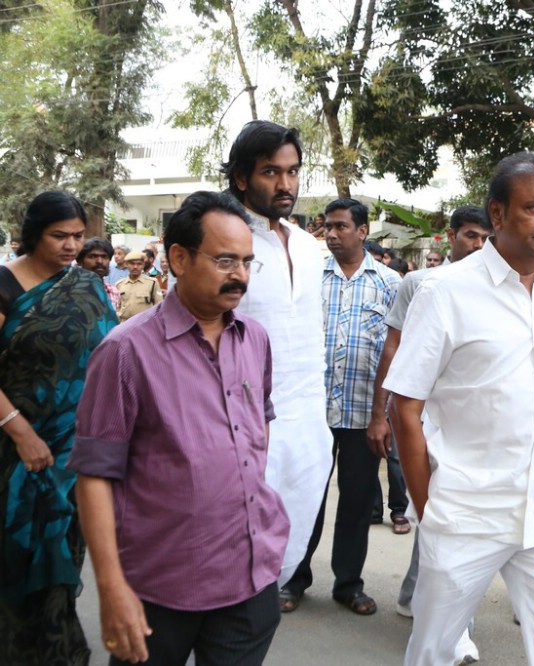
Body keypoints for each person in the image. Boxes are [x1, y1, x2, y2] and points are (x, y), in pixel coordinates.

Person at [385, 152, 534, 666]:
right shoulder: (445, 293)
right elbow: (405, 406)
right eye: (533, 209)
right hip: (467, 510)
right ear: (497, 215)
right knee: (435, 649)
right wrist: (428, 507)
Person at [70, 191, 289, 666]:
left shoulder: (254, 339)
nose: (241, 276)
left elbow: (258, 428)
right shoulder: (125, 352)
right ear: (179, 258)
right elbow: (93, 476)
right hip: (161, 586)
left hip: (250, 575)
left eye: (249, 262)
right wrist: (112, 590)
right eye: (226, 260)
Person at [370, 204, 491, 665]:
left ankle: (416, 598)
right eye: (471, 236)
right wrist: (382, 415)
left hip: (467, 422)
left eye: (485, 238)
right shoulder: (420, 284)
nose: (478, 246)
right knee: (440, 516)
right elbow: (395, 349)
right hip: (420, 418)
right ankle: (449, 630)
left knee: (448, 518)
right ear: (452, 236)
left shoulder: (497, 288)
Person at [0, 191, 116, 665]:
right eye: (59, 236)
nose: (71, 246)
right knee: (17, 559)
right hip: (16, 450)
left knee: (66, 554)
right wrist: (21, 431)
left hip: (75, 453)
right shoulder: (6, 286)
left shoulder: (83, 285)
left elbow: (109, 354)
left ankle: (55, 646)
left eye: (77, 236)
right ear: (33, 233)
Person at [223, 120, 333, 607]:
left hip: (308, 419)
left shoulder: (310, 247)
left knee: (280, 551)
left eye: (293, 172)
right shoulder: (223, 242)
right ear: (242, 177)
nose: (286, 184)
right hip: (238, 422)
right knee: (223, 557)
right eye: (271, 171)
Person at [284, 198, 401, 617]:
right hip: (312, 412)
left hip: (361, 416)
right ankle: (293, 579)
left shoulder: (389, 283)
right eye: (325, 227)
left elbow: (394, 353)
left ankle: (348, 584)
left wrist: (379, 418)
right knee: (305, 498)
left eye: (338, 226)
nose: (330, 234)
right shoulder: (311, 279)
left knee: (356, 501)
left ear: (362, 231)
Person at [115, 250, 162, 321]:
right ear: (127, 264)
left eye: (139, 264)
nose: (135, 267)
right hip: (124, 326)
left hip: (144, 326)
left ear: (143, 265)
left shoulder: (152, 283)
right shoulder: (119, 284)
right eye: (132, 264)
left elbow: (159, 307)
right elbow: (117, 307)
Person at [77, 237, 122, 310]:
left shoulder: (113, 292)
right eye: (93, 256)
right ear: (80, 262)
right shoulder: (69, 292)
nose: (100, 261)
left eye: (104, 257)